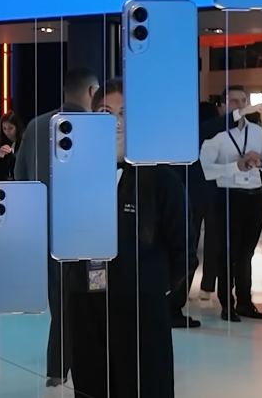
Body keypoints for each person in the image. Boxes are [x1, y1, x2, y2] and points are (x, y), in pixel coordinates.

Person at [65, 78, 190, 398]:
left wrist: (151, 286)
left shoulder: (162, 180)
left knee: (144, 384)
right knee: (91, 384)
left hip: (140, 307)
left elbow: (183, 250)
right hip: (87, 302)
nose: (116, 122)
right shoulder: (75, 175)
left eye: (124, 113)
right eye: (106, 112)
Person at [14, 66, 98, 388]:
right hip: (91, 233)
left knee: (60, 301)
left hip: (46, 233)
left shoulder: (37, 125)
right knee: (93, 300)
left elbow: (20, 179)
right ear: (91, 92)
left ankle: (57, 369)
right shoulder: (96, 127)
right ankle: (89, 367)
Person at [200, 85, 262, 322]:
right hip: (228, 196)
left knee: (246, 253)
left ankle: (245, 302)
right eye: (234, 102)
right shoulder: (215, 134)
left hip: (255, 196)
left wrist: (260, 162)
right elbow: (206, 169)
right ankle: (227, 304)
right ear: (223, 106)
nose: (241, 106)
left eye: (243, 101)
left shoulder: (256, 131)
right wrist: (236, 166)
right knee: (228, 252)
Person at [0, 111, 24, 181]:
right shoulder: (1, 143)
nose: (7, 132)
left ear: (17, 127)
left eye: (11, 128)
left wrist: (13, 154)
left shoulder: (24, 142)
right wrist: (0, 157)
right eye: (4, 129)